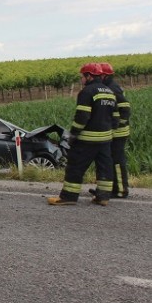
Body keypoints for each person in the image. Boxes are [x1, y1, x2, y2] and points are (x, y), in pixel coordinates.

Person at [48, 63, 116, 206]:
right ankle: (103, 197)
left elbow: (82, 116)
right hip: (105, 140)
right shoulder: (109, 92)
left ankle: (68, 197)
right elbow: (115, 118)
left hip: (87, 140)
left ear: (89, 76)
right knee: (104, 167)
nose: (81, 80)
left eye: (82, 77)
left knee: (75, 166)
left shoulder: (87, 92)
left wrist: (73, 134)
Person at [98, 62, 131, 198]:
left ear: (105, 75)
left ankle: (121, 190)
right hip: (113, 132)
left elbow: (125, 108)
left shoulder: (112, 88)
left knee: (117, 161)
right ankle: (112, 188)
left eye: (99, 75)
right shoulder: (108, 86)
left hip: (118, 133)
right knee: (110, 160)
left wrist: (118, 125)